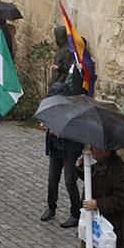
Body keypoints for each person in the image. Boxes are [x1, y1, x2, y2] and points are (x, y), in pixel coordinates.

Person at [41, 79, 84, 227]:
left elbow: (79, 135)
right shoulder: (53, 108)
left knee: (70, 182)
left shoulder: (74, 111)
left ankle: (76, 214)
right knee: (52, 180)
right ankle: (51, 207)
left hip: (69, 152)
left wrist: (60, 132)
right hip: (55, 150)